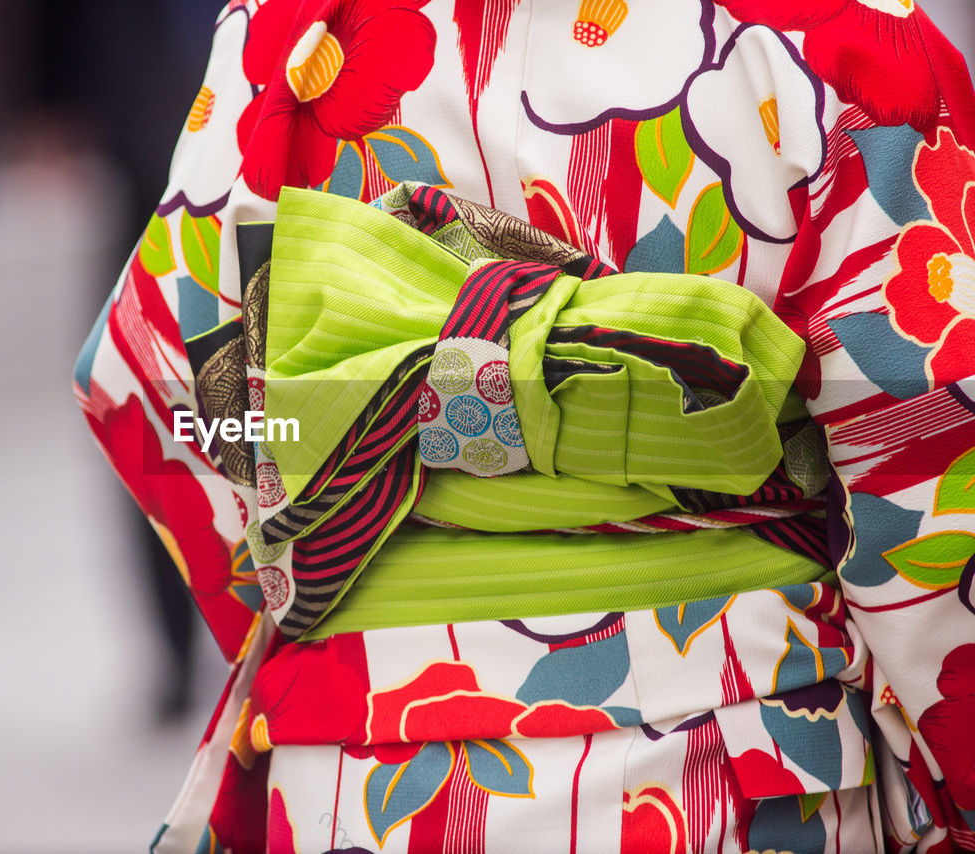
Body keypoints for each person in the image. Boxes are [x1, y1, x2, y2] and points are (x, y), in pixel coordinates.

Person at [75, 0, 975, 850]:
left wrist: (333, 575)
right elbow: (935, 452)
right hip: (742, 758)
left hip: (360, 776)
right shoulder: (818, 34)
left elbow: (152, 375)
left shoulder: (290, 30)